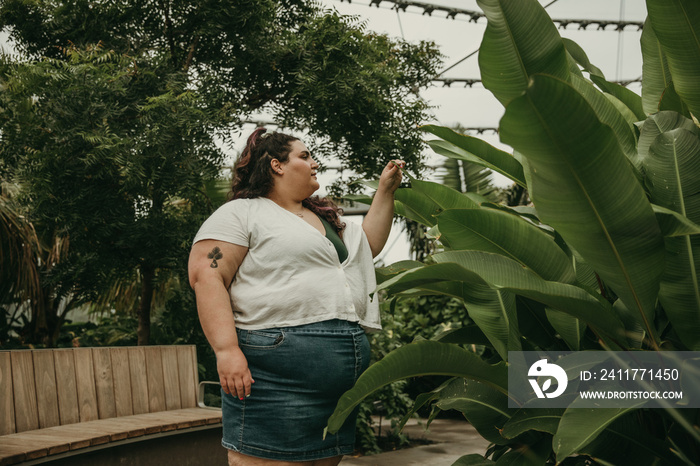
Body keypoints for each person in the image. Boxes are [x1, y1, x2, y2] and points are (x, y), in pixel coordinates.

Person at [188, 128, 404, 466]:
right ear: (276, 165)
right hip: (274, 375)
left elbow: (368, 246)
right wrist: (227, 350)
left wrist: (385, 191)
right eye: (304, 156)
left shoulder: (324, 219)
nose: (314, 163)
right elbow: (207, 274)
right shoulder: (242, 213)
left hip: (337, 383)